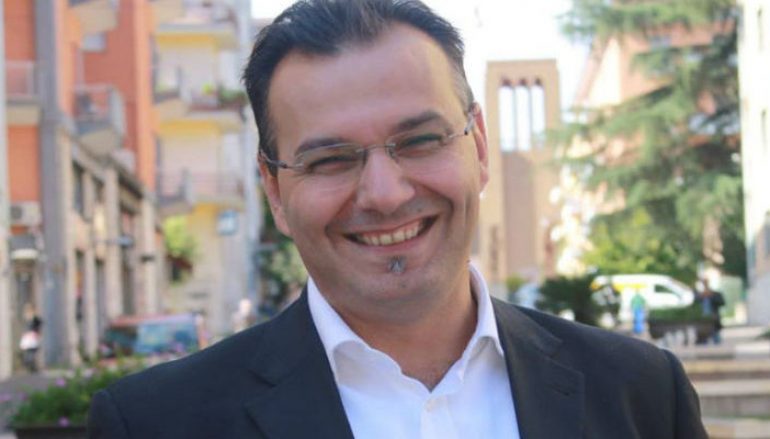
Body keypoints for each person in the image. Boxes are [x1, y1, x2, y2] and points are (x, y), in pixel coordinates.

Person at [88, 1, 707, 437]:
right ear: (274, 190)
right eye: (330, 159)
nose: (384, 194)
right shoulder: (155, 424)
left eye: (419, 141)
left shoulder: (642, 394)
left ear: (479, 147)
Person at [695, 278, 726, 344]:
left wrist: (712, 296)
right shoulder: (699, 294)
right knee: (703, 333)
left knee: (715, 334)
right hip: (702, 318)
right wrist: (701, 297)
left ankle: (716, 341)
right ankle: (704, 341)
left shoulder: (715, 293)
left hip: (713, 316)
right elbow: (694, 304)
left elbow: (722, 303)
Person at [19, 303, 42, 373]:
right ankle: (29, 365)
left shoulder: (33, 318)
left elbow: (39, 324)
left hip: (31, 335)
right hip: (30, 336)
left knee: (31, 351)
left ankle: (30, 365)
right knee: (30, 351)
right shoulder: (29, 318)